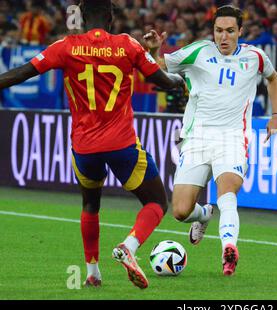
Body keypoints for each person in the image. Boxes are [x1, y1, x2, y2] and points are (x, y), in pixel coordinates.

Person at [0, 0, 185, 289]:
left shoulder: (66, 46)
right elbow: (163, 81)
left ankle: (92, 272)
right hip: (121, 143)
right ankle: (129, 246)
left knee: (90, 204)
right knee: (157, 202)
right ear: (111, 19)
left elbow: (22, 72)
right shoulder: (127, 45)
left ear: (82, 19)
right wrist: (179, 78)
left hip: (84, 147)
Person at [144, 5, 277, 276]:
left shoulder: (255, 57)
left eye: (230, 31)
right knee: (181, 211)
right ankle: (204, 214)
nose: (224, 37)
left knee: (227, 191)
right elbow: (157, 67)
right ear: (214, 31)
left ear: (240, 31)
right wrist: (153, 51)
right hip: (197, 138)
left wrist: (276, 115)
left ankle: (228, 249)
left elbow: (273, 79)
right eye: (219, 31)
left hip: (233, 138)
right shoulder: (199, 51)